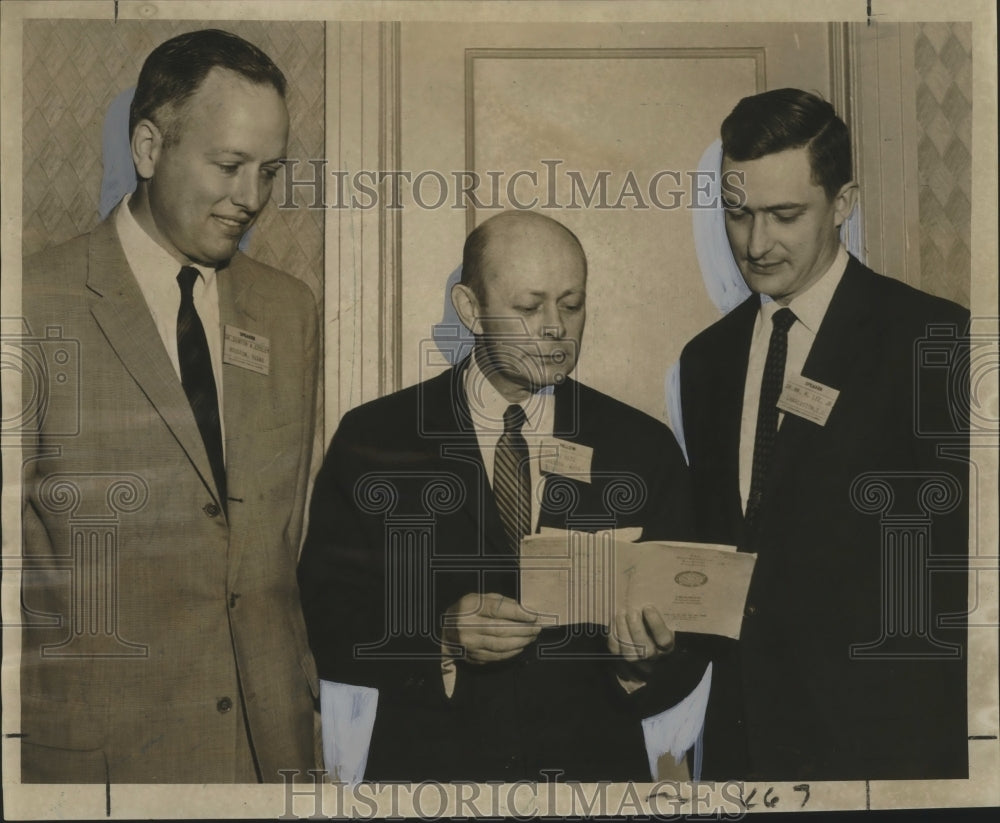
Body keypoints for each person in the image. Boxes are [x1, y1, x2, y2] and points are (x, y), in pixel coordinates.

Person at [299, 210, 703, 782]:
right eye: (528, 306)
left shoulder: (641, 447)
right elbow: (326, 614)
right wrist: (439, 636)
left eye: (571, 303)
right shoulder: (376, 438)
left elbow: (692, 636)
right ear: (469, 308)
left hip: (592, 785)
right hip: (433, 784)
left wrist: (641, 662)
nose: (555, 328)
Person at [19, 29, 320, 783]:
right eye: (228, 165)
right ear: (149, 149)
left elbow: (281, 542)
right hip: (106, 764)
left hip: (270, 760)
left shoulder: (290, 311)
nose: (251, 199)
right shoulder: (29, 304)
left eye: (269, 170)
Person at [678, 88, 969, 781]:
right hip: (744, 753)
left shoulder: (934, 338)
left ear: (844, 204)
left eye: (785, 215)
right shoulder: (706, 361)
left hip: (886, 751)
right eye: (739, 213)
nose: (755, 243)